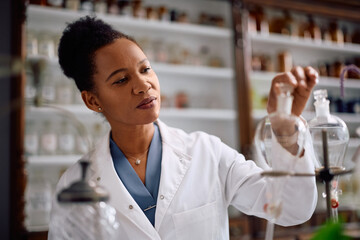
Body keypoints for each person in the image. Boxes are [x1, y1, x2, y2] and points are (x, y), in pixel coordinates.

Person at [48, 16, 319, 240]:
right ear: (93, 100)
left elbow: (292, 209)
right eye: (121, 80)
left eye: (145, 69)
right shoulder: (74, 185)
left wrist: (286, 127)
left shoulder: (207, 153)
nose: (143, 85)